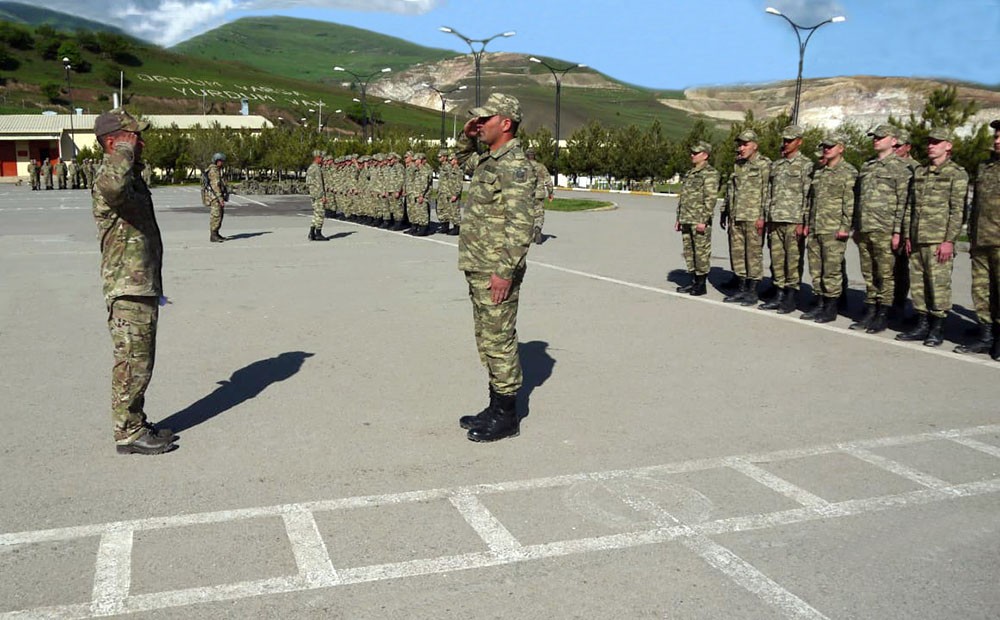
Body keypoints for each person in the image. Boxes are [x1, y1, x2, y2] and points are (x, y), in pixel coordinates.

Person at [91, 108, 176, 455]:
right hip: (126, 286)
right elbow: (112, 187)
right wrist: (123, 151)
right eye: (133, 136)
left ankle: (135, 421)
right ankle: (127, 431)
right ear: (113, 141)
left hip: (140, 283)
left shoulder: (131, 178)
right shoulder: (108, 177)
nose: (140, 142)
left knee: (141, 361)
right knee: (132, 361)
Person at [454, 93, 537, 443]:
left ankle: (507, 415)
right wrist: (466, 134)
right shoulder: (489, 159)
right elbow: (459, 161)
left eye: (486, 119)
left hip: (495, 269)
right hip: (479, 265)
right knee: (486, 338)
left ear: (506, 122)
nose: (480, 125)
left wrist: (504, 271)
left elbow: (522, 225)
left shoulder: (514, 166)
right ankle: (494, 404)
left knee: (499, 340)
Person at [896, 128, 969, 347]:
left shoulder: (957, 174)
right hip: (918, 238)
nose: (931, 146)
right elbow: (911, 206)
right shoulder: (920, 172)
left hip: (939, 239)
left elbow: (958, 211)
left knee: (938, 285)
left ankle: (937, 328)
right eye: (929, 142)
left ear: (948, 146)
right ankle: (922, 324)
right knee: (918, 284)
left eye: (936, 142)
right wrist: (908, 235)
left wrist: (949, 240)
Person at [851, 124, 912, 333]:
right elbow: (859, 198)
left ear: (893, 141)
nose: (876, 140)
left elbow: (903, 202)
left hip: (885, 228)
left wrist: (897, 232)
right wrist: (856, 226)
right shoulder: (867, 166)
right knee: (868, 272)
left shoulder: (901, 168)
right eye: (874, 137)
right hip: (866, 227)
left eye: (880, 137)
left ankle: (884, 312)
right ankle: (870, 308)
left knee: (886, 274)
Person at [801, 133, 857, 323]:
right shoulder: (819, 172)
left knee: (831, 269)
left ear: (841, 148)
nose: (826, 149)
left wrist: (845, 226)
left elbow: (849, 202)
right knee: (816, 268)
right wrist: (808, 223)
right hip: (817, 226)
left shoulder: (848, 172)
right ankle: (819, 302)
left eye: (831, 146)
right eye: (824, 146)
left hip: (834, 228)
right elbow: (812, 200)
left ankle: (831, 306)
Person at [957, 119, 1000, 358]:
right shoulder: (985, 167)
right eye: (995, 136)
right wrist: (972, 236)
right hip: (981, 239)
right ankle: (986, 335)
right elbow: (976, 207)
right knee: (981, 291)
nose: (997, 141)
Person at [761, 125, 812, 313]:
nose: (786, 143)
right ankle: (779, 293)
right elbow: (770, 193)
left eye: (790, 140)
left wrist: (803, 221)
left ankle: (791, 296)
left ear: (799, 142)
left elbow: (808, 195)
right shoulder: (777, 165)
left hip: (793, 220)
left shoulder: (806, 165)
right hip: (775, 219)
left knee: (793, 260)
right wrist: (767, 217)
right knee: (777, 258)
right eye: (785, 140)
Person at [721, 129, 770, 306]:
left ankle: (752, 291)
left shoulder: (764, 165)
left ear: (755, 146)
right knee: (738, 254)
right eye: (740, 144)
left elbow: (767, 192)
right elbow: (731, 190)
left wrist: (763, 217)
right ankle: (741, 288)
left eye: (745, 144)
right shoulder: (738, 165)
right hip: (737, 216)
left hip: (753, 217)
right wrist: (725, 211)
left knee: (753, 254)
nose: (741, 148)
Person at [674, 140, 719, 297]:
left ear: (705, 155)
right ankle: (693, 280)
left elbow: (710, 198)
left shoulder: (710, 174)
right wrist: (679, 217)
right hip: (687, 217)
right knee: (689, 251)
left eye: (696, 153)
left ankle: (701, 284)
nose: (692, 155)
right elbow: (684, 197)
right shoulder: (690, 173)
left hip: (699, 219)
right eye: (691, 153)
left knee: (701, 252)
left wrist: (704, 220)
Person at [892, 128, 919, 315]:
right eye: (893, 145)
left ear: (908, 147)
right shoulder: (887, 164)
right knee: (887, 267)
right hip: (888, 222)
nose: (895, 149)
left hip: (905, 224)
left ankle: (899, 302)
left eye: (898, 146)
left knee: (901, 267)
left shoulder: (915, 168)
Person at [525, 147, 554, 244]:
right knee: (539, 214)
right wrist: (550, 193)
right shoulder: (541, 167)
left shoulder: (523, 166)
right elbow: (548, 181)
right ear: (534, 156)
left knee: (527, 214)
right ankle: (537, 228)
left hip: (526, 194)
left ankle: (529, 235)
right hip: (539, 194)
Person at [203, 152, 229, 242]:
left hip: (216, 197)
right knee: (216, 215)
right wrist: (220, 198)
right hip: (214, 197)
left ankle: (216, 233)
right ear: (217, 161)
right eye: (221, 161)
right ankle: (213, 235)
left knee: (220, 215)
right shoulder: (214, 171)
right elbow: (215, 186)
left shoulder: (217, 170)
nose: (222, 163)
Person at [407, 153, 433, 236]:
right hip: (416, 193)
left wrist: (421, 194)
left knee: (422, 212)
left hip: (422, 194)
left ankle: (423, 229)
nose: (414, 162)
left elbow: (424, 183)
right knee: (417, 211)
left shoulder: (424, 170)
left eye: (416, 160)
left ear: (420, 160)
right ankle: (418, 227)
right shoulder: (417, 170)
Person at [305, 150, 328, 241]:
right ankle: (318, 233)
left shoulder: (310, 168)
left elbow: (308, 183)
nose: (322, 159)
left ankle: (311, 233)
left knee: (315, 214)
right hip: (318, 195)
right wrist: (323, 196)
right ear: (317, 157)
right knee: (320, 214)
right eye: (321, 158)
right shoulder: (317, 169)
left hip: (313, 194)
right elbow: (319, 184)